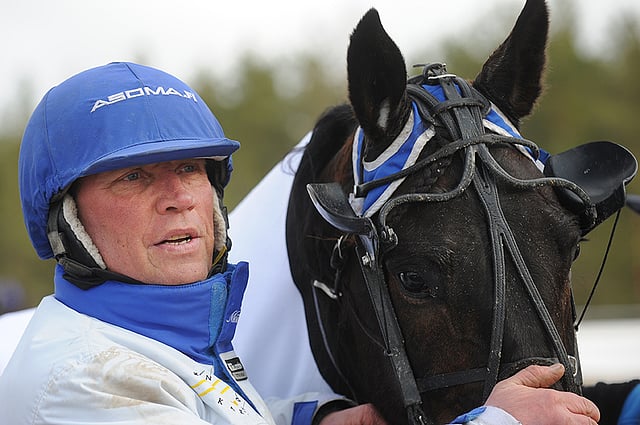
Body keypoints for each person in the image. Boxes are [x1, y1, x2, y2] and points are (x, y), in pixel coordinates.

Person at [0, 61, 601, 425]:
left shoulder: (176, 347)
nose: (178, 196)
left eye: (190, 170)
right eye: (134, 177)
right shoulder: (86, 381)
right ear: (66, 220)